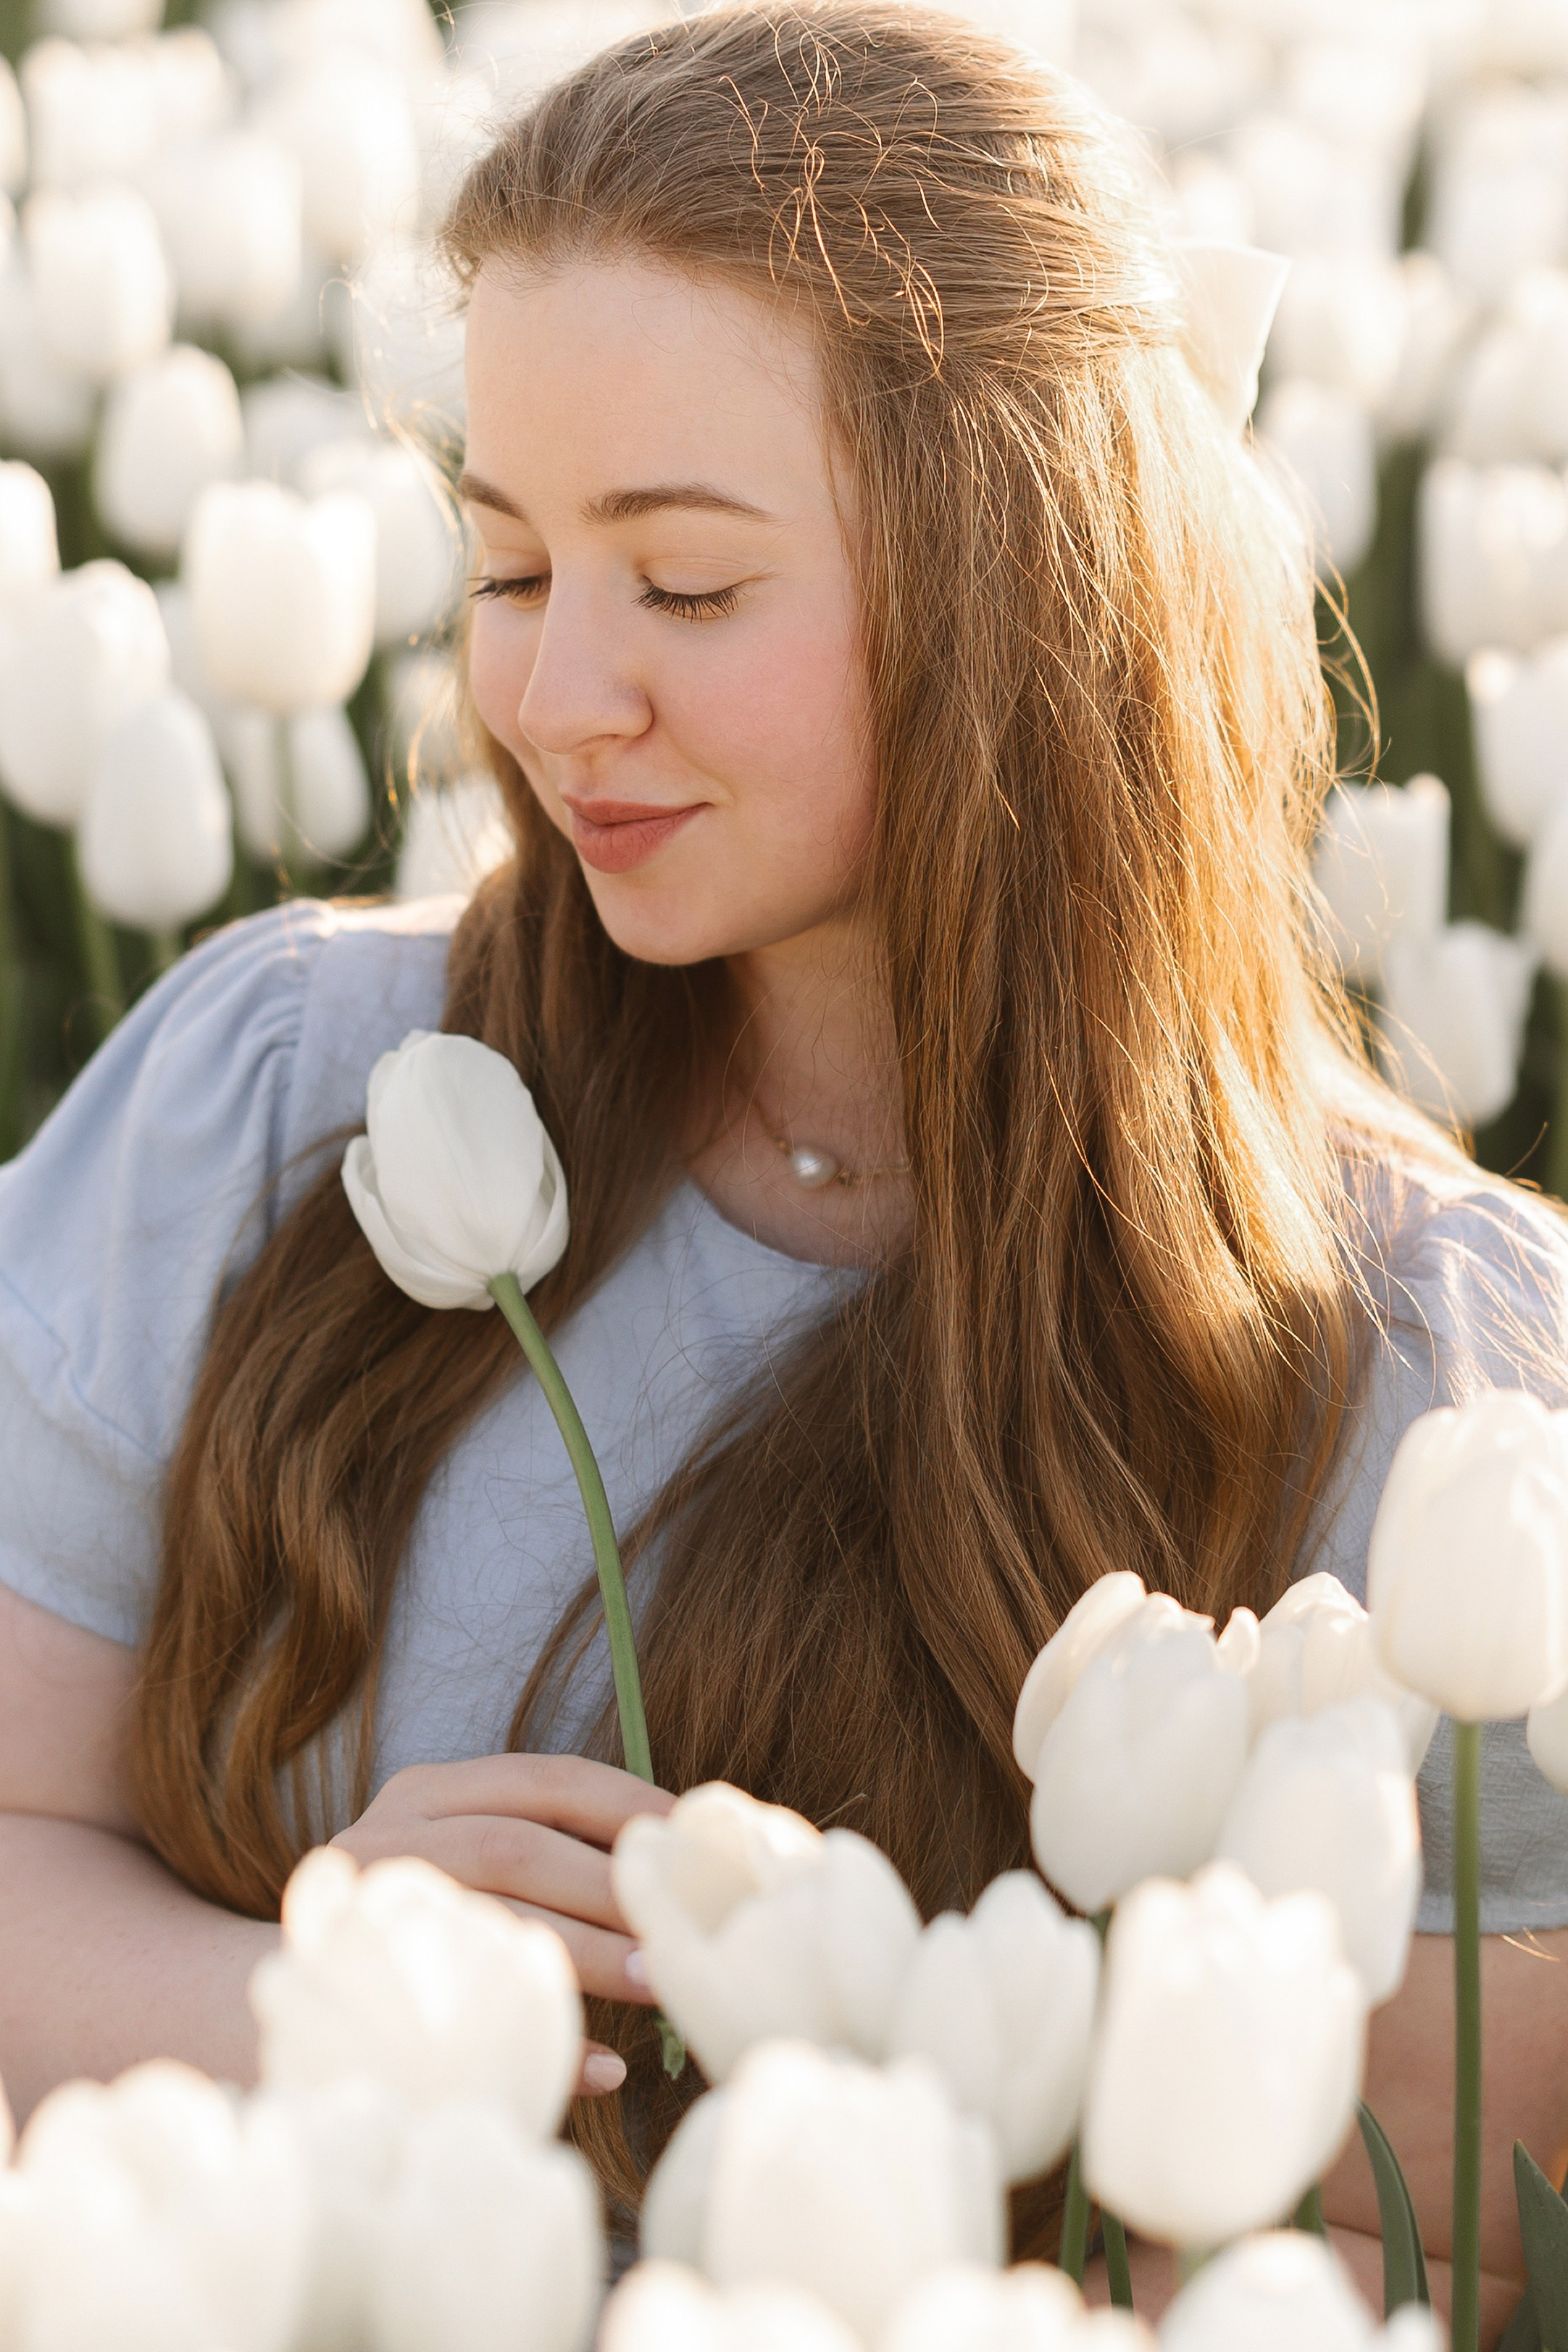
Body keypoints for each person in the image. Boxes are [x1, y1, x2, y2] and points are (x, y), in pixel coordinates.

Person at [1, 3, 1565, 2332]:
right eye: (514, 566)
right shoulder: (279, 1095)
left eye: (689, 586)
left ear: (1022, 591)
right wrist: (341, 2013)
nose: (550, 699)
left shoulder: (1416, 1372)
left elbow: (1384, 2223)